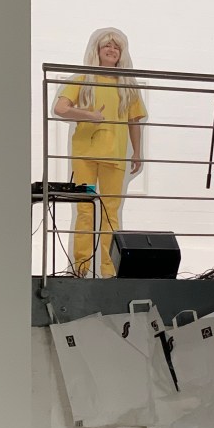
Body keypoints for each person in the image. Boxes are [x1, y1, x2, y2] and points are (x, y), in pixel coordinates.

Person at [54, 27, 146, 277]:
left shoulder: (128, 85)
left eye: (116, 47)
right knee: (85, 210)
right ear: (97, 49)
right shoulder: (83, 78)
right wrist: (88, 115)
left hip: (114, 158)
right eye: (107, 45)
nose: (112, 50)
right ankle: (80, 269)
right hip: (85, 156)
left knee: (110, 211)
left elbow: (134, 121)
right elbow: (60, 108)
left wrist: (137, 152)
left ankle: (108, 270)